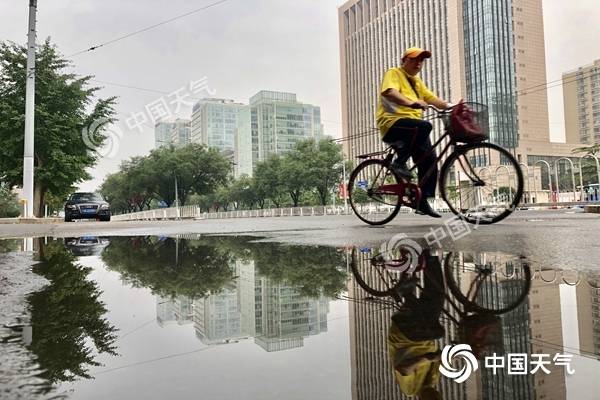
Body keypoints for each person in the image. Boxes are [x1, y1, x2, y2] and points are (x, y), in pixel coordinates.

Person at [376, 47, 452, 218]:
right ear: (404, 61)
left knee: (430, 160)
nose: (418, 63)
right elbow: (389, 92)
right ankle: (399, 162)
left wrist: (450, 106)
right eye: (414, 59)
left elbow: (431, 99)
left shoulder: (417, 82)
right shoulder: (394, 73)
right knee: (425, 126)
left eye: (421, 61)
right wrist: (411, 103)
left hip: (413, 128)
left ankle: (422, 201)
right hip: (392, 124)